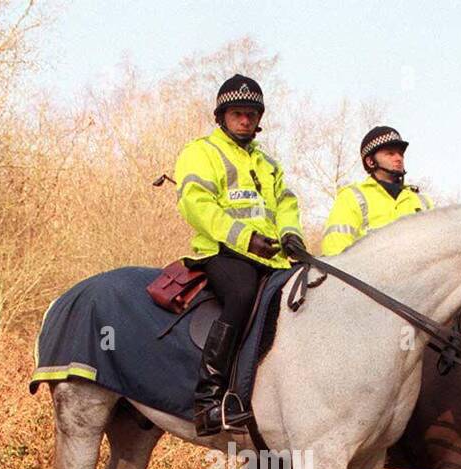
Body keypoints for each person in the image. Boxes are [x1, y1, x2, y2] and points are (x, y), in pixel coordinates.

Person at [174, 74, 305, 435]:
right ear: (221, 117)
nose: (245, 120)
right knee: (242, 295)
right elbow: (196, 205)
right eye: (237, 113)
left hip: (273, 258)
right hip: (223, 253)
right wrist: (246, 240)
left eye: (251, 114)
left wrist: (292, 236)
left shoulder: (270, 164)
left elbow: (287, 205)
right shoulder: (201, 151)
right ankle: (209, 400)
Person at [322, 126, 433, 256]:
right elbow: (335, 250)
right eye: (390, 154)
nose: (399, 158)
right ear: (370, 161)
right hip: (364, 275)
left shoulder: (423, 201)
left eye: (401, 154)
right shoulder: (351, 196)